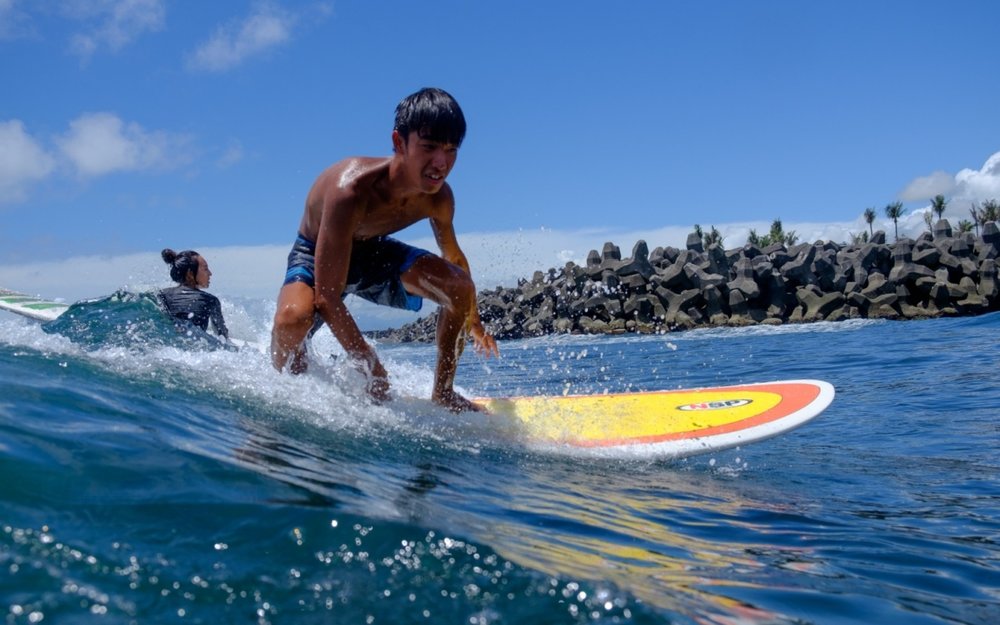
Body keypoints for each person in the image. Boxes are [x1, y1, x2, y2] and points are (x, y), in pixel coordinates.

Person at [270, 87, 498, 412]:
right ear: (398, 142)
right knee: (292, 319)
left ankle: (444, 393)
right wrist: (370, 364)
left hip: (372, 252)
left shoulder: (440, 198)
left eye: (451, 150)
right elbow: (328, 296)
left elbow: (454, 257)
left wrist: (472, 318)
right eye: (430, 147)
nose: (441, 163)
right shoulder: (349, 191)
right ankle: (285, 387)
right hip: (315, 250)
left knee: (459, 288)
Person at [159, 248, 229, 340]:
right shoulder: (211, 300)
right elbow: (222, 337)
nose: (210, 273)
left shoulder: (161, 295)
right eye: (205, 269)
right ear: (190, 274)